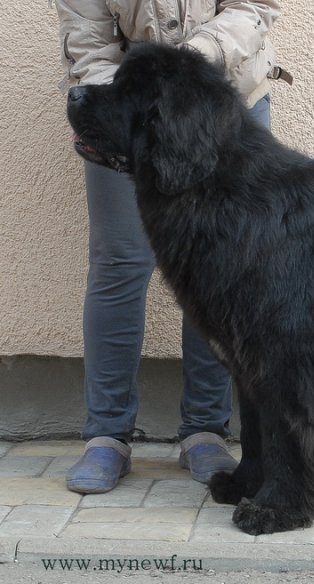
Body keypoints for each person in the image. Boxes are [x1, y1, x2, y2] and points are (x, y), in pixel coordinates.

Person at [54, 0, 290, 494]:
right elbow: (89, 39)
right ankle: (106, 436)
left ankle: (205, 430)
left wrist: (191, 60)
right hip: (132, 106)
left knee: (222, 274)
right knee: (119, 262)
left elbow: (254, 8)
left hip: (225, 96)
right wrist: (122, 103)